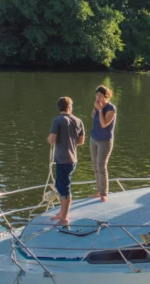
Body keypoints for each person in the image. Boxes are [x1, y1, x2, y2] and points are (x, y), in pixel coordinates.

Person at [47, 96, 85, 225]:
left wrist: (51, 139)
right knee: (60, 186)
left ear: (60, 108)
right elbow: (81, 141)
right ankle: (62, 213)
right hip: (72, 159)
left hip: (63, 160)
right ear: (69, 107)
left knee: (64, 189)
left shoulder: (57, 120)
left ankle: (65, 218)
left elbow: (52, 140)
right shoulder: (78, 121)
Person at [90, 85, 117, 202]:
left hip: (105, 141)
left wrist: (100, 110)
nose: (98, 97)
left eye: (100, 95)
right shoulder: (97, 105)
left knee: (101, 166)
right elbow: (93, 116)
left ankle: (104, 193)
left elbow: (104, 124)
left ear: (106, 96)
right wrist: (96, 109)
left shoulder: (111, 109)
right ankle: (98, 190)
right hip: (94, 138)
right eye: (97, 95)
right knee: (95, 166)